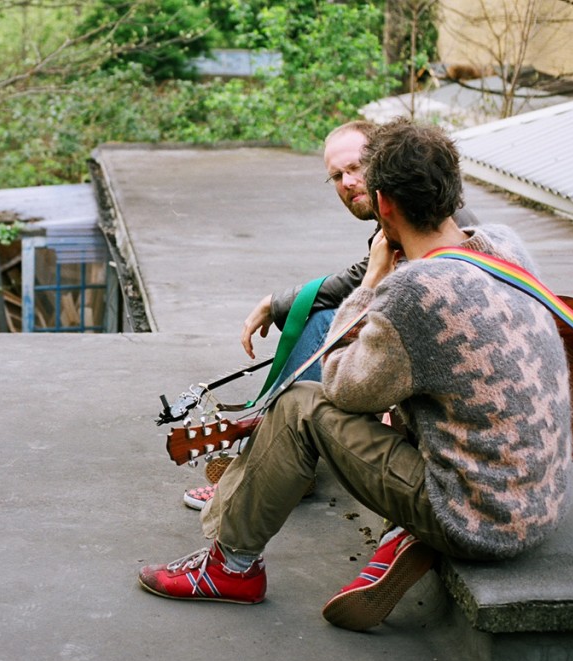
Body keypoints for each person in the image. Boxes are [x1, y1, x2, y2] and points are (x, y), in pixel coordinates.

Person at [141, 119, 572, 632]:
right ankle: (402, 532)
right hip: (541, 500)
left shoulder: (416, 290)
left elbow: (342, 386)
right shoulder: (503, 244)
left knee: (300, 406)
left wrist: (370, 283)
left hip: (479, 521)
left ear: (383, 203)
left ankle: (229, 568)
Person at [182, 120, 478, 510]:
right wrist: (283, 302)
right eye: (337, 176)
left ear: (385, 160)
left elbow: (375, 309)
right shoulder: (420, 218)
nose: (347, 182)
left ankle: (265, 474)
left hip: (460, 441)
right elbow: (364, 276)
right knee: (323, 321)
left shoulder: (436, 228)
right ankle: (272, 454)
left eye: (355, 168)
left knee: (322, 338)